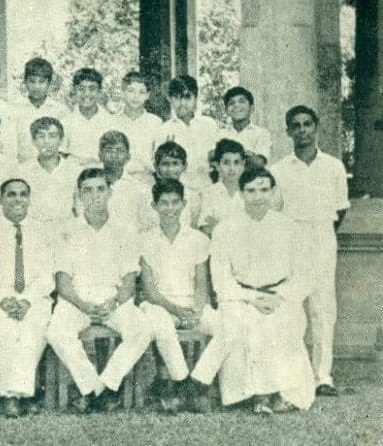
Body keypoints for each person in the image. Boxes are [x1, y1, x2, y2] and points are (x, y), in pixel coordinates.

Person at [198, 166, 316, 413]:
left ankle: (282, 393)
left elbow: (305, 275)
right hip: (240, 297)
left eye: (263, 190)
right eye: (251, 191)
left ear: (273, 192)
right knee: (244, 325)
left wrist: (280, 297)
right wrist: (251, 297)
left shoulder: (290, 228)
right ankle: (257, 395)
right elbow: (221, 280)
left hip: (281, 296)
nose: (258, 197)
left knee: (283, 323)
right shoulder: (225, 230)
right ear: (241, 194)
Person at [47, 168, 152, 413]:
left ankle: (103, 385)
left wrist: (113, 303)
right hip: (76, 300)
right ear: (79, 195)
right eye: (88, 190)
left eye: (100, 189)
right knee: (56, 332)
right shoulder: (66, 231)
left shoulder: (125, 231)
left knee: (142, 330)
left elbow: (129, 281)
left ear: (110, 192)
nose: (95, 196)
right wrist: (84, 306)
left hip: (113, 300)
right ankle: (93, 388)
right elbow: (63, 282)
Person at [270, 105, 349, 397]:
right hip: (291, 241)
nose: (302, 130)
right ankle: (289, 375)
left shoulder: (333, 167)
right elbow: (274, 213)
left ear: (316, 127)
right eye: (296, 125)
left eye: (307, 124)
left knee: (323, 307)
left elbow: (340, 210)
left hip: (322, 238)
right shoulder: (278, 170)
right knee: (289, 307)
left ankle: (322, 376)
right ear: (288, 131)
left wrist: (321, 235)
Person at [0, 178, 56, 418]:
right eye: (11, 194)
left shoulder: (42, 231)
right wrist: (4, 300)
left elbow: (47, 275)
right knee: (5, 331)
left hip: (35, 298)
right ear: (0, 199)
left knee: (32, 330)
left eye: (23, 194)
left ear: (29, 199)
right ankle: (16, 395)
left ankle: (15, 395)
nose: (18, 199)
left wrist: (27, 300)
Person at [139, 179, 218, 413]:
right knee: (162, 325)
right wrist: (175, 310)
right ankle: (184, 384)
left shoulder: (198, 239)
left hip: (191, 305)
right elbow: (150, 291)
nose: (170, 208)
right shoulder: (144, 240)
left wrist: (197, 311)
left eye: (175, 202)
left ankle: (198, 381)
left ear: (184, 204)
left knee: (228, 327)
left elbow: (201, 283)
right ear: (154, 206)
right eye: (164, 203)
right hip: (158, 305)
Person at [16, 117, 81, 231]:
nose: (46, 141)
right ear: (33, 141)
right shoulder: (22, 172)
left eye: (52, 136)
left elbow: (80, 208)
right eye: (41, 136)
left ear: (61, 140)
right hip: (33, 231)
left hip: (66, 232)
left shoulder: (75, 170)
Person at [157, 75, 220, 187]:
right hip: (176, 189)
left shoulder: (209, 125)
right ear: (169, 99)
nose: (182, 103)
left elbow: (218, 160)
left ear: (195, 98)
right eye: (176, 97)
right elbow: (160, 166)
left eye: (187, 97)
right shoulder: (164, 129)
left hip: (206, 186)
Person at [112, 72, 163, 184]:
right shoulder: (112, 122)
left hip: (146, 180)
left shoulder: (155, 122)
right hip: (118, 180)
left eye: (141, 92)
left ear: (148, 95)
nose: (136, 96)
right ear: (123, 93)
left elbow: (159, 158)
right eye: (131, 91)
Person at [99, 131, 155, 233]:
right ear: (100, 155)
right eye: (109, 150)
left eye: (120, 151)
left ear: (128, 157)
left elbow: (147, 227)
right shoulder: (90, 187)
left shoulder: (141, 190)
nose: (114, 155)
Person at [16, 58, 70, 162]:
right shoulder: (14, 109)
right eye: (32, 81)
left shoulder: (61, 110)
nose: (36, 87)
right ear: (25, 82)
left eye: (41, 82)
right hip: (22, 167)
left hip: (51, 166)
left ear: (49, 83)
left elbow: (64, 146)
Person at [62, 68, 119, 166]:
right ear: (74, 90)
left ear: (100, 91)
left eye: (92, 89)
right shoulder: (66, 122)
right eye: (81, 89)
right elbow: (61, 154)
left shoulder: (111, 122)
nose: (86, 93)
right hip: (73, 171)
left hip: (102, 171)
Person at [198, 139, 247, 236]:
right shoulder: (208, 193)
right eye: (226, 163)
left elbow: (251, 230)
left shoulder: (251, 191)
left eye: (236, 162)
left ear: (243, 164)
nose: (232, 168)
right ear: (217, 165)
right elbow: (206, 228)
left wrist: (219, 227)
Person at [152, 141, 202, 229]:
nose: (170, 169)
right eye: (165, 164)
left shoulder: (192, 198)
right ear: (156, 167)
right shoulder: (147, 195)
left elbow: (194, 229)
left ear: (184, 166)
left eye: (175, 163)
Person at [219, 86, 271, 164]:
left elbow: (260, 162)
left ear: (252, 108)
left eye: (242, 101)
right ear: (226, 111)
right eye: (231, 103)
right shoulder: (220, 134)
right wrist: (246, 155)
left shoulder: (261, 133)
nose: (236, 105)